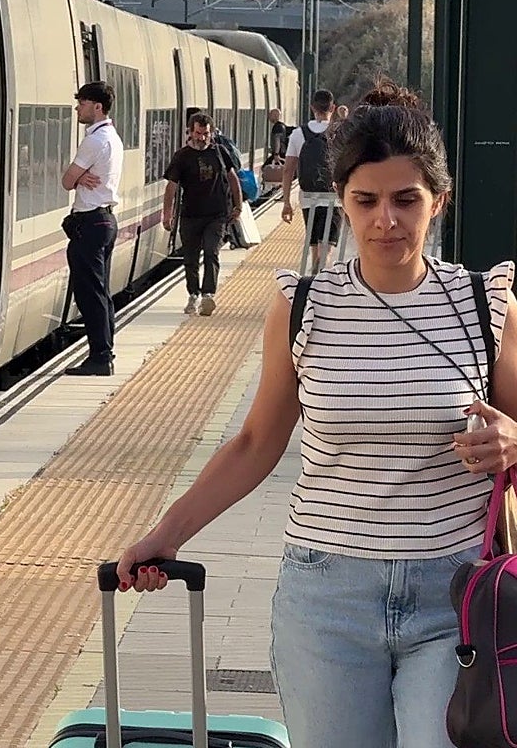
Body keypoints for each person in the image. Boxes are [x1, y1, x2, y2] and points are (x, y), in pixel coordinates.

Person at [117, 80, 517, 747]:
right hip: (326, 598)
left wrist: (513, 440)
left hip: (456, 597)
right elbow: (254, 443)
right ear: (341, 201)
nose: (386, 220)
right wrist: (168, 533)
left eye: (405, 200)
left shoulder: (487, 305)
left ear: (438, 202)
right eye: (366, 201)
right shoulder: (304, 309)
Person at [60, 81, 123, 377]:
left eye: (82, 103)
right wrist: (81, 175)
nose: (77, 108)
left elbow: (67, 181)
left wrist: (78, 175)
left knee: (90, 294)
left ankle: (100, 356)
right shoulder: (112, 137)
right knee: (101, 291)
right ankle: (105, 350)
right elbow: (76, 177)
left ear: (98, 107)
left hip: (91, 223)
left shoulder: (94, 141)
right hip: (105, 221)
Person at [161, 112, 242, 316]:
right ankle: (193, 294)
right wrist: (167, 214)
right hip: (190, 215)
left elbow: (233, 178)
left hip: (216, 214)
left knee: (211, 252)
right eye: (198, 133)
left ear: (211, 133)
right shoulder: (182, 156)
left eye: (206, 133)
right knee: (190, 258)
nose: (201, 137)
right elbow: (171, 186)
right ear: (190, 131)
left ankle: (208, 295)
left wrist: (238, 205)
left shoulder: (220, 152)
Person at [281, 89, 339, 272]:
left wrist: (286, 202)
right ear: (333, 108)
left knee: (314, 243)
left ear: (312, 107)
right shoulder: (339, 133)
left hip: (307, 198)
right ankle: (321, 270)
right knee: (327, 245)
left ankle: (315, 273)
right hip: (334, 197)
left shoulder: (299, 134)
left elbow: (288, 169)